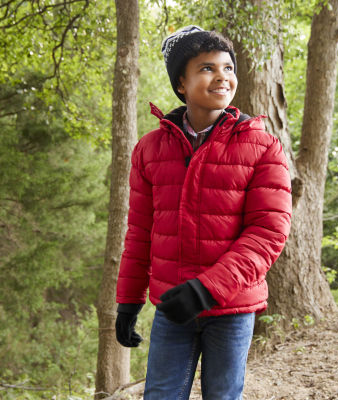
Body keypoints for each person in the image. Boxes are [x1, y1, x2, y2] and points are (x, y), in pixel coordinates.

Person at [115, 25, 292, 400]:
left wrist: (206, 290)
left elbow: (268, 234)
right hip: (172, 308)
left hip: (232, 307)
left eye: (228, 68)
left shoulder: (263, 147)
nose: (222, 77)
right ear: (181, 83)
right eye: (207, 68)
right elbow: (140, 233)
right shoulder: (149, 150)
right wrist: (128, 301)